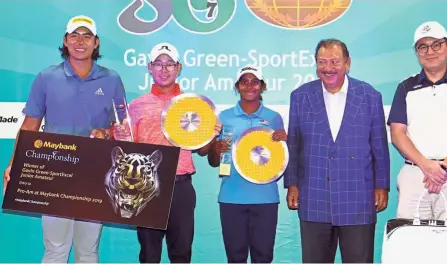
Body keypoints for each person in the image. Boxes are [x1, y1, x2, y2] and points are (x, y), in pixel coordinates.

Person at [2, 15, 127, 263]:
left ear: (96, 42)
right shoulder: (46, 77)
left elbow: (122, 127)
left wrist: (107, 132)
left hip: (94, 174)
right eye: (74, 35)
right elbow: (30, 126)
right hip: (54, 174)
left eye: (87, 36)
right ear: (65, 41)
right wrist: (13, 163)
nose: (80, 41)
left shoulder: (112, 79)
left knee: (88, 251)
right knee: (56, 249)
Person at [283, 38, 390, 263]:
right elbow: (294, 144)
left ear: (347, 63)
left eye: (335, 61)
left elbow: (379, 145)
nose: (328, 68)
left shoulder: (370, 96)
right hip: (314, 195)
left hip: (358, 196)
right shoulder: (300, 97)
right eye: (322, 62)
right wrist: (292, 184)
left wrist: (382, 185)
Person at [114, 42, 221, 263]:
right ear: (149, 67)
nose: (164, 69)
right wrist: (120, 136)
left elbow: (201, 150)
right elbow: (128, 148)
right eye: (158, 64)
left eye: (169, 64)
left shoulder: (193, 104)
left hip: (181, 186)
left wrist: (210, 136)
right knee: (149, 255)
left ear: (178, 67)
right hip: (146, 187)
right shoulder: (136, 106)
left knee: (181, 254)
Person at [387, 21, 447, 221]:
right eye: (423, 46)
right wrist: (426, 166)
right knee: (409, 237)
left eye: (436, 44)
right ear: (416, 52)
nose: (430, 51)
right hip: (415, 173)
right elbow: (397, 133)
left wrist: (444, 167)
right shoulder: (405, 87)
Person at [207, 65, 287, 263]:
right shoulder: (223, 117)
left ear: (262, 86)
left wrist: (287, 140)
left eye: (255, 82)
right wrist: (215, 150)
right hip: (232, 197)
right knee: (235, 257)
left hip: (266, 199)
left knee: (264, 257)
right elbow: (212, 161)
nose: (249, 86)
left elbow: (282, 159)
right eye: (244, 82)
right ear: (237, 86)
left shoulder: (274, 118)